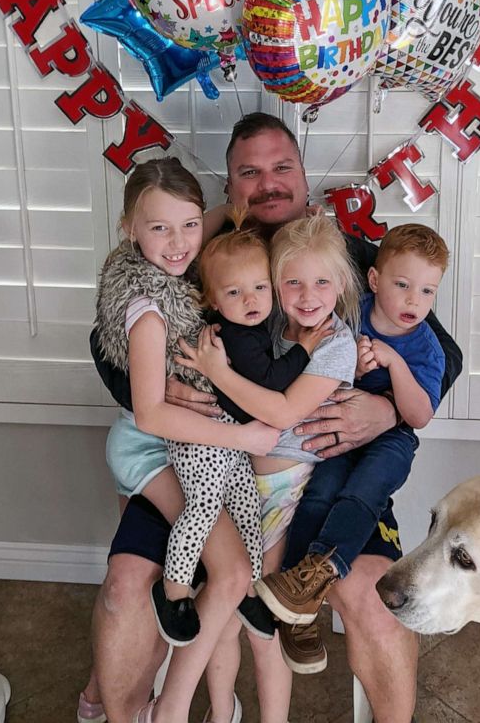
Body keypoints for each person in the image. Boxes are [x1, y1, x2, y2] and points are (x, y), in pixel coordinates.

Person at [85, 113, 463, 723]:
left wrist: (387, 408)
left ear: (304, 175)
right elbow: (107, 339)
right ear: (230, 186)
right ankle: (121, 705)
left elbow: (444, 353)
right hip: (206, 459)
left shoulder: (352, 256)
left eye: (281, 167)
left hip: (328, 471)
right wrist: (150, 395)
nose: (268, 183)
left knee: (369, 593)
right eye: (249, 172)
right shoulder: (193, 253)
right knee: (129, 586)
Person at [91, 156, 281, 723]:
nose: (178, 244)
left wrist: (231, 210)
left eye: (190, 225)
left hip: (192, 442)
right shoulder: (148, 306)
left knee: (234, 563)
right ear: (129, 228)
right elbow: (150, 414)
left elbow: (209, 217)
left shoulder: (183, 256)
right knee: (229, 571)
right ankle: (168, 709)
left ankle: (188, 701)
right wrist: (246, 431)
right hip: (151, 446)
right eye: (159, 228)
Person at [254, 223, 449, 671]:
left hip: (391, 442)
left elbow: (419, 417)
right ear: (375, 281)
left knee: (361, 494)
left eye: (426, 292)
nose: (413, 301)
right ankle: (295, 595)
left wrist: (392, 362)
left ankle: (321, 573)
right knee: (320, 495)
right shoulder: (349, 313)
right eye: (402, 286)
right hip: (334, 435)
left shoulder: (426, 348)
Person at [180, 214, 361, 679]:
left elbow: (280, 413)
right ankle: (219, 704)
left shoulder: (335, 343)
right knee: (226, 596)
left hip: (283, 484)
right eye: (291, 282)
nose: (307, 296)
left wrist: (217, 372)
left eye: (321, 281)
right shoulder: (264, 314)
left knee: (261, 611)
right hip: (236, 470)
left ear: (341, 282)